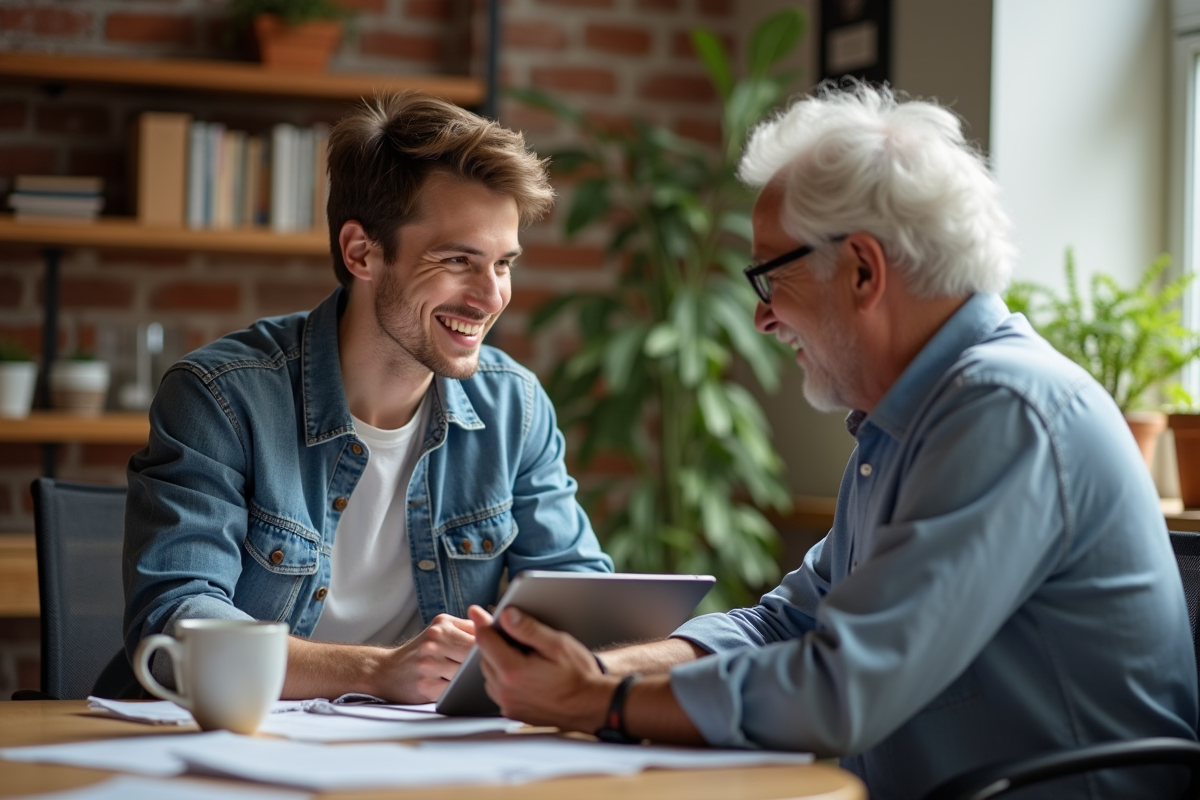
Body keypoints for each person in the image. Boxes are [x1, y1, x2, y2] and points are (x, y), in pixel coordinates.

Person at [466, 83, 1199, 799]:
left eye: (766, 277)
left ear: (861, 270)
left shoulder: (1004, 412)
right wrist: (606, 669)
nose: (761, 319)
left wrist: (599, 703)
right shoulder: (909, 420)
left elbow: (844, 686)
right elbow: (788, 621)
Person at [119, 92, 612, 704]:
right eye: (458, 259)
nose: (491, 299)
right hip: (243, 752)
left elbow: (581, 598)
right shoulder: (222, 398)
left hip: (428, 758)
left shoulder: (515, 408)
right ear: (362, 252)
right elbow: (175, 624)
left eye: (503, 264)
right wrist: (375, 673)